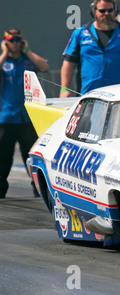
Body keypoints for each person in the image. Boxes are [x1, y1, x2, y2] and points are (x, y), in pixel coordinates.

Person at [60, 0, 120, 97]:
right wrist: (64, 89)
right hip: (88, 96)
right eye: (102, 11)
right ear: (94, 11)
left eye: (110, 10)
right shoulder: (80, 34)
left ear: (115, 11)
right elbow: (69, 62)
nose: (106, 14)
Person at [0, 28, 49, 198]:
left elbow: (44, 66)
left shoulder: (27, 60)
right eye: (11, 40)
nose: (15, 43)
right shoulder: (3, 61)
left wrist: (27, 51)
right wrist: (4, 53)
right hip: (7, 117)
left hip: (28, 117)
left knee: (32, 154)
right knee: (3, 157)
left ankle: (38, 189)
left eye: (17, 40)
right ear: (6, 42)